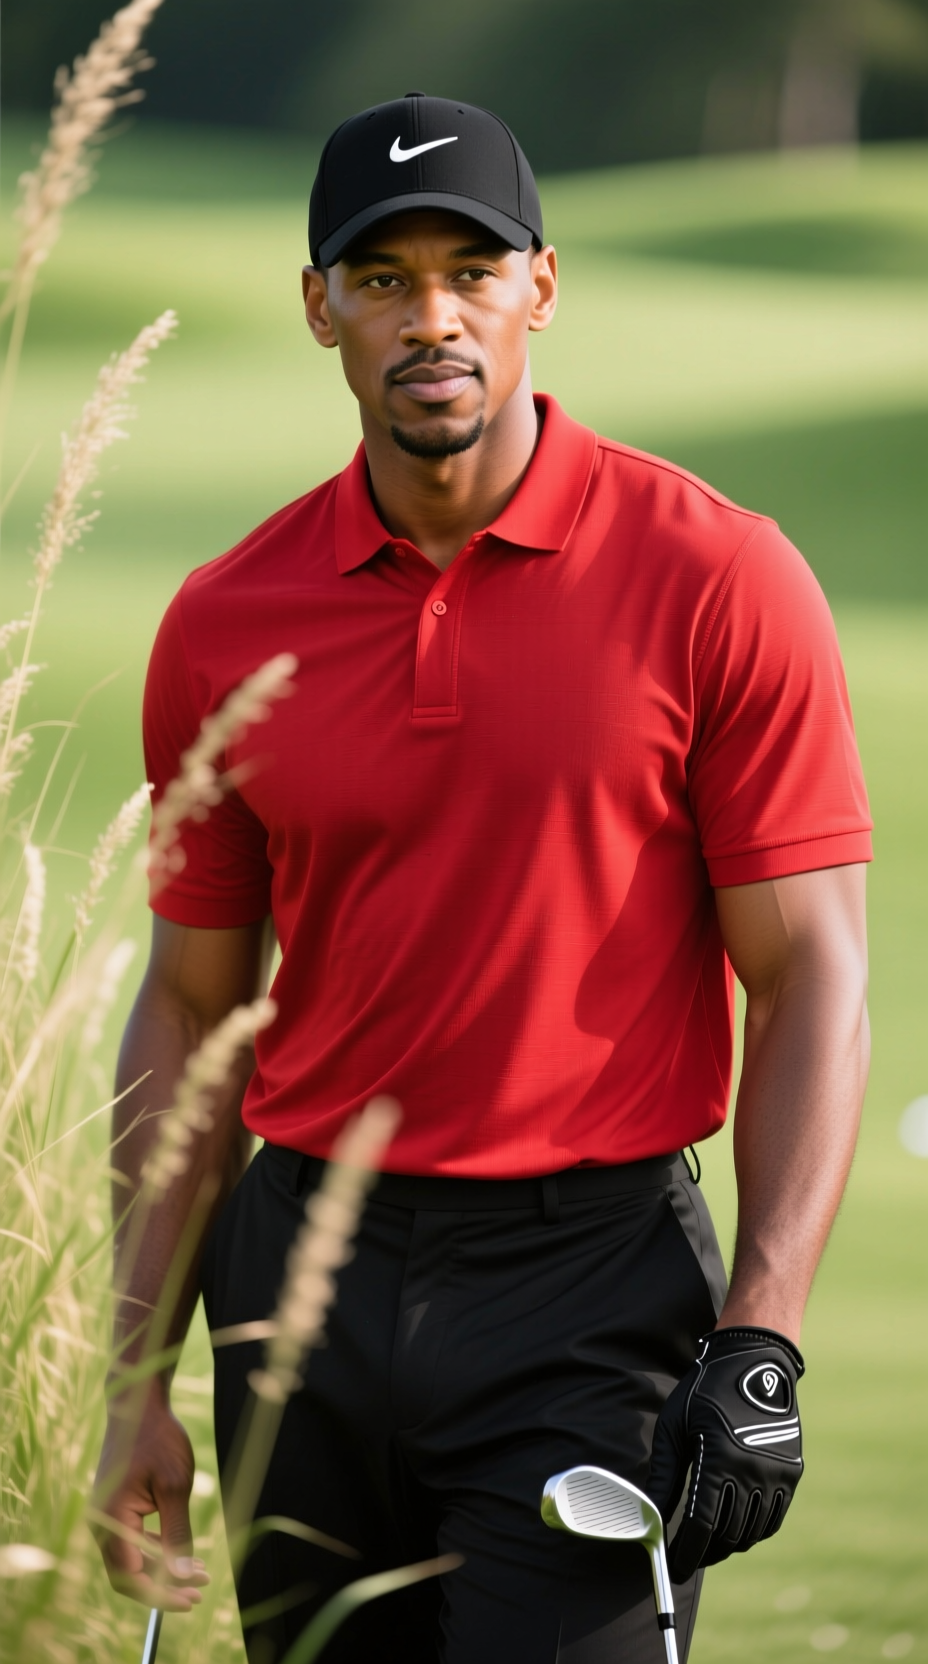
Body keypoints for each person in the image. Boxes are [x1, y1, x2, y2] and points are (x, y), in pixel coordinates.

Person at [92, 93, 872, 1663]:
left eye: (471, 268)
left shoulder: (718, 577)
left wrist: (766, 1332)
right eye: (381, 279)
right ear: (319, 307)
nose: (428, 316)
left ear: (541, 286)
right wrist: (134, 1388)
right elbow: (191, 1004)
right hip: (296, 1293)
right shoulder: (227, 619)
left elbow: (810, 977)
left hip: (590, 1301)